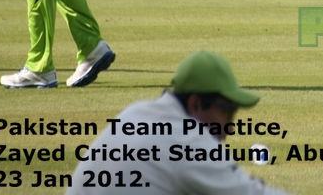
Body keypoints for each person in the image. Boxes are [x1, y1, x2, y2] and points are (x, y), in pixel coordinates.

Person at [67, 51, 294, 194]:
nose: (230, 127)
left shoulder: (136, 112)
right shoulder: (187, 140)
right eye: (227, 112)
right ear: (195, 104)